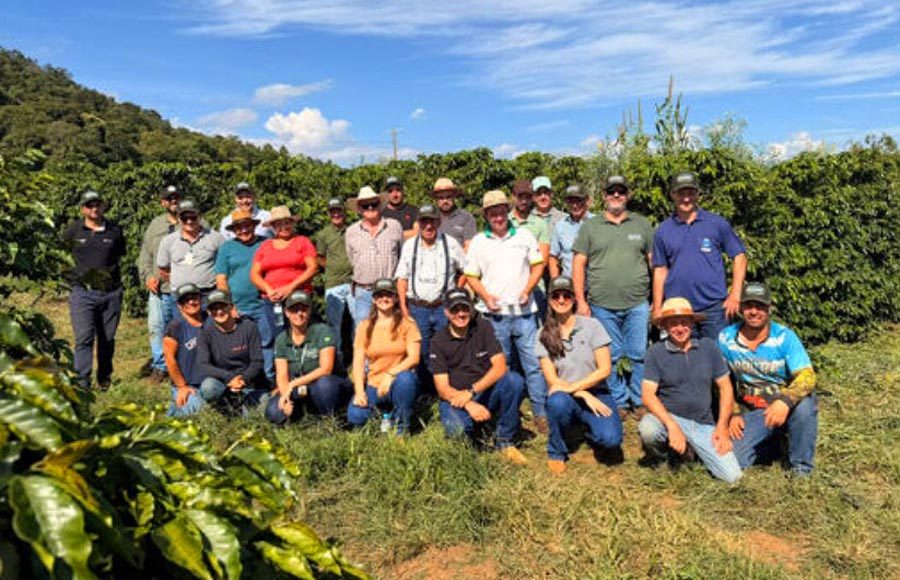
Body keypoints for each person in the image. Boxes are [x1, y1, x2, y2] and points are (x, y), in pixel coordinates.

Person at [465, 190, 549, 432]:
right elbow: (471, 275)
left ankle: (540, 412)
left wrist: (528, 290)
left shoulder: (524, 235)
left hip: (524, 314)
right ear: (486, 215)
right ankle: (508, 410)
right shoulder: (479, 241)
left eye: (501, 211)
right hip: (494, 316)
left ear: (507, 211)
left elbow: (538, 266)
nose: (498, 217)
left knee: (533, 364)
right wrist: (485, 296)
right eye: (493, 213)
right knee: (502, 366)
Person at [573, 175, 654, 416]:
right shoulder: (590, 226)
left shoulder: (642, 224)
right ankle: (619, 401)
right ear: (604, 196)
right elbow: (578, 264)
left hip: (637, 303)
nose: (616, 195)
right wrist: (580, 301)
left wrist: (658, 300)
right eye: (611, 191)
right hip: (601, 305)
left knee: (638, 354)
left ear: (628, 195)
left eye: (621, 191)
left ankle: (639, 400)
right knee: (611, 354)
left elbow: (655, 263)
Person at [718, 282, 818, 475]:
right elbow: (721, 382)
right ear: (741, 308)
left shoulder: (784, 337)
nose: (754, 311)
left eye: (760, 306)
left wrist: (785, 401)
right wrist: (733, 413)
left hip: (786, 406)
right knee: (734, 459)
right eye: (749, 305)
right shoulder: (726, 339)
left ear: (769, 309)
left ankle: (801, 469)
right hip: (754, 410)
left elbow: (808, 375)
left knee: (805, 406)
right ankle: (776, 441)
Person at [638, 298, 742, 483]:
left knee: (732, 476)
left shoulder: (708, 347)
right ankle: (663, 458)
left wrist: (722, 427)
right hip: (669, 417)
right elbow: (648, 395)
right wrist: (672, 426)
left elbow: (725, 387)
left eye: (684, 322)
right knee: (648, 429)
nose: (680, 328)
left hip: (703, 423)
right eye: (673, 323)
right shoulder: (655, 352)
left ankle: (690, 451)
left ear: (692, 323)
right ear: (665, 326)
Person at [430, 288, 528, 464]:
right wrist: (469, 403)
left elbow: (500, 367)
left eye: (465, 308)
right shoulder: (438, 341)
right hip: (456, 399)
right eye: (455, 310)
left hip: (483, 391)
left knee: (514, 381)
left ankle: (505, 441)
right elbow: (442, 389)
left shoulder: (483, 327)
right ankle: (474, 438)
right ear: (446, 312)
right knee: (457, 431)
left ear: (472, 309)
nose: (461, 314)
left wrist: (472, 392)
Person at [537, 277, 623, 474]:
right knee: (557, 402)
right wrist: (582, 394)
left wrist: (585, 392)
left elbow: (605, 369)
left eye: (566, 295)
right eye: (556, 296)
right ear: (549, 300)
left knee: (611, 440)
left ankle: (587, 429)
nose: (561, 300)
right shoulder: (542, 334)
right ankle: (556, 451)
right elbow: (552, 380)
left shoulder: (592, 326)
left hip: (597, 392)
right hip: (564, 394)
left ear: (574, 298)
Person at [652, 171, 747, 340]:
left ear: (697, 194)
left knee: (716, 355)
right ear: (672, 195)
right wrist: (658, 308)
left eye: (690, 193)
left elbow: (739, 257)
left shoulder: (716, 223)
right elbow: (660, 270)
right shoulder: (663, 230)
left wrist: (735, 294)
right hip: (678, 310)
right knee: (680, 355)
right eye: (681, 193)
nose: (686, 198)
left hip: (714, 309)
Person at [395, 204, 465, 391]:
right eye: (424, 221)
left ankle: (447, 387)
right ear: (418, 223)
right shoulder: (410, 246)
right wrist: (403, 307)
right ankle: (426, 391)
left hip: (444, 307)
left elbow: (466, 269)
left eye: (432, 221)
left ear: (438, 222)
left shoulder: (451, 243)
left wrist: (457, 292)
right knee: (421, 350)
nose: (428, 226)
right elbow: (401, 278)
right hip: (417, 308)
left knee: (447, 348)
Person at [62, 190, 127, 390]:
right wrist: (71, 280)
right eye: (89, 205)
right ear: (83, 208)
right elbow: (61, 255)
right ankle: (82, 383)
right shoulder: (73, 230)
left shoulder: (114, 231)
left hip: (110, 293)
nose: (94, 208)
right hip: (82, 293)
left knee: (107, 338)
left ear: (103, 206)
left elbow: (119, 255)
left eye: (97, 204)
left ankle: (104, 378)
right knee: (84, 338)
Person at [265, 290, 351, 425]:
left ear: (310, 311)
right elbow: (282, 376)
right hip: (298, 388)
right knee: (273, 412)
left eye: (304, 309)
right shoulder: (281, 339)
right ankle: (301, 416)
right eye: (294, 310)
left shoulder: (322, 331)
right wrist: (285, 395)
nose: (299, 314)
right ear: (286, 313)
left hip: (326, 384)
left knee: (325, 385)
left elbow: (326, 369)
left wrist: (293, 383)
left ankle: (331, 420)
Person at [346, 278, 421, 434]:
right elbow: (358, 363)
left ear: (395, 298)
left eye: (388, 294)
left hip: (397, 383)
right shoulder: (364, 326)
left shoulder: (408, 323)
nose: (384, 298)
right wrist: (359, 392)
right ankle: (384, 414)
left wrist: (390, 375)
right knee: (355, 417)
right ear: (374, 299)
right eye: (379, 295)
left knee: (406, 380)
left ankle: (401, 427)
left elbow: (414, 358)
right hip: (374, 384)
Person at [215, 209, 274, 381]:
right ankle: (246, 380)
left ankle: (268, 378)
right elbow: (221, 279)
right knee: (241, 345)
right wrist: (229, 306)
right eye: (238, 228)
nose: (243, 231)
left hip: (263, 303)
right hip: (238, 307)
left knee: (267, 342)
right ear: (233, 231)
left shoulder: (266, 244)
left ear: (253, 226)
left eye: (247, 226)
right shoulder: (227, 248)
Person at [195, 290, 268, 414]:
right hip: (223, 383)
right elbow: (203, 365)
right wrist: (229, 377)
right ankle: (224, 407)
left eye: (223, 306)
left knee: (265, 407)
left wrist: (243, 379)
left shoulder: (249, 327)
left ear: (231, 307)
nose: (219, 311)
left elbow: (257, 361)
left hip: (248, 383)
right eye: (214, 308)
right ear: (208, 312)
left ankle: (241, 406)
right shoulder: (205, 333)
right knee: (208, 388)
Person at [250, 206, 318, 334]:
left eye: (286, 223)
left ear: (292, 223)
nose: (283, 227)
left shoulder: (302, 242)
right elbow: (254, 274)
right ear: (273, 227)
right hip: (273, 299)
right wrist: (269, 290)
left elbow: (312, 268)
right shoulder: (265, 246)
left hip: (298, 297)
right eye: (278, 224)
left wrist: (290, 288)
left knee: (302, 333)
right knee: (279, 335)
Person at [137, 185, 181, 382]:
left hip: (183, 290)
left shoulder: (193, 221)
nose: (174, 201)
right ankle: (160, 366)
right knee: (157, 327)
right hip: (159, 289)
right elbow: (145, 255)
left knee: (182, 328)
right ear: (163, 203)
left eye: (176, 197)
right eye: (169, 198)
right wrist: (147, 276)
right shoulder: (155, 225)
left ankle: (181, 364)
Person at [345, 186, 404, 327]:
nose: (370, 207)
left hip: (389, 291)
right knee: (363, 331)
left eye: (373, 203)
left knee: (391, 330)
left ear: (380, 205)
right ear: (359, 209)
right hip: (363, 292)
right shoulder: (351, 231)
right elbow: (352, 258)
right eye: (365, 205)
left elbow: (402, 256)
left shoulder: (394, 226)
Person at [157, 199, 224, 306]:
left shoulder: (216, 238)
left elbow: (225, 266)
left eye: (193, 217)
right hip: (180, 295)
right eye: (185, 218)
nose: (189, 221)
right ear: (179, 219)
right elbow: (163, 269)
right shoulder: (168, 241)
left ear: (200, 217)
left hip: (208, 294)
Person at [313, 197, 354, 364]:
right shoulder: (323, 234)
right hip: (333, 284)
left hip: (353, 282)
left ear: (344, 212)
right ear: (329, 214)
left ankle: (358, 362)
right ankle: (336, 363)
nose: (336, 214)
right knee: (333, 326)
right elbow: (320, 257)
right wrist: (332, 267)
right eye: (333, 212)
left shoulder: (353, 231)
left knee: (359, 323)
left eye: (339, 211)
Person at [508, 180, 551, 319]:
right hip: (507, 287)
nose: (524, 201)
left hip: (535, 287)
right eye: (520, 197)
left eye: (527, 197)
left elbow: (543, 260)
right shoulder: (503, 221)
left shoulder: (540, 224)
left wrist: (527, 285)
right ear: (513, 197)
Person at [163, 283, 207, 418]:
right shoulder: (175, 327)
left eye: (195, 298)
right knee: (200, 410)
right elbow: (170, 360)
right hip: (188, 385)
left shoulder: (210, 320)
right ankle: (171, 416)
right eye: (186, 300)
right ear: (179, 305)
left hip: (210, 383)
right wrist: (182, 386)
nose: (191, 302)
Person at [549, 185, 593, 278]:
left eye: (579, 200)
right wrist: (555, 281)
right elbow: (553, 256)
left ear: (587, 201)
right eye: (571, 201)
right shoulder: (560, 226)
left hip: (593, 284)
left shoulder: (597, 223)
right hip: (569, 283)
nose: (575, 205)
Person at [431, 177, 477, 250]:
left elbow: (469, 247)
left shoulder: (466, 217)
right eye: (441, 198)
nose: (445, 201)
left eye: (448, 197)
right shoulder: (430, 218)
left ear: (454, 196)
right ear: (436, 199)